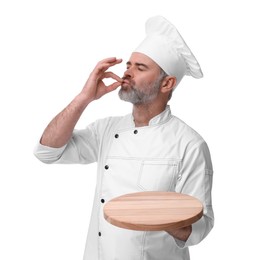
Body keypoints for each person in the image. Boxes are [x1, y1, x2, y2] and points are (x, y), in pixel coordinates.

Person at [34, 16, 214, 260]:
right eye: (128, 65)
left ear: (167, 83)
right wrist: (84, 98)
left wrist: (160, 216)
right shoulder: (107, 130)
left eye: (140, 68)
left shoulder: (189, 144)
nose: (127, 73)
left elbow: (200, 227)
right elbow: (47, 152)